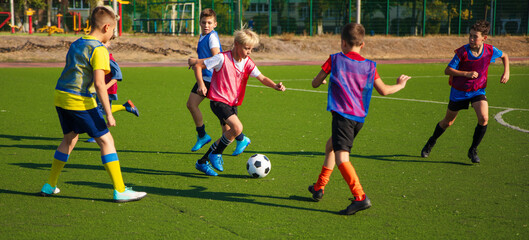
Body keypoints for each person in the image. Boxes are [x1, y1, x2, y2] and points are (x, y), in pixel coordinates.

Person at [39, 6, 146, 203]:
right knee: (107, 141)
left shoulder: (77, 43)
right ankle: (120, 190)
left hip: (60, 96)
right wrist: (109, 113)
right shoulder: (99, 49)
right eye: (114, 30)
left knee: (69, 139)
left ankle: (50, 184)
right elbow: (99, 84)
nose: (113, 35)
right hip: (78, 100)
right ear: (107, 27)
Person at [308, 23, 411, 215]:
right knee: (330, 146)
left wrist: (322, 80)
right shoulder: (370, 66)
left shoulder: (335, 59)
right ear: (362, 44)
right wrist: (401, 85)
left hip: (342, 117)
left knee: (341, 158)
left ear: (343, 42)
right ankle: (319, 187)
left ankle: (360, 197)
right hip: (358, 119)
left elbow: (314, 83)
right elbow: (385, 91)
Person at [188, 28, 286, 176]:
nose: (249, 52)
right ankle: (216, 155)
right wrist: (201, 85)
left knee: (228, 134)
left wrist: (274, 85)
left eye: (251, 49)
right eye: (247, 48)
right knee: (237, 128)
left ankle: (202, 162)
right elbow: (198, 66)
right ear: (236, 44)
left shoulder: (247, 62)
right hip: (218, 101)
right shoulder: (222, 58)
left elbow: (262, 77)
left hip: (232, 104)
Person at [420, 20, 509, 163]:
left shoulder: (490, 50)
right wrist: (466, 74)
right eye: (470, 36)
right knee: (447, 122)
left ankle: (473, 150)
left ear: (484, 38)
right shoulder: (462, 52)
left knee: (484, 118)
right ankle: (431, 141)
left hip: (477, 91)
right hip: (459, 92)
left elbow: (505, 56)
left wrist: (506, 72)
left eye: (475, 36)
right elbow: (447, 70)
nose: (472, 39)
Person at [187, 8, 251, 155]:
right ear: (199, 23)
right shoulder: (203, 35)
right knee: (192, 105)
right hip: (206, 77)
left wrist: (196, 61)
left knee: (222, 115)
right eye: (203, 22)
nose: (206, 25)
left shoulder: (212, 38)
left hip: (214, 79)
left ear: (215, 24)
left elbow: (216, 58)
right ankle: (203, 136)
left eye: (209, 22)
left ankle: (239, 139)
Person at [86, 41, 140, 143]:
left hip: (107, 91)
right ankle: (126, 107)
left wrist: (105, 87)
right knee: (100, 110)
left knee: (99, 112)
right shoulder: (98, 56)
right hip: (99, 90)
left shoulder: (109, 59)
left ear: (109, 44)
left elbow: (118, 76)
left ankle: (98, 135)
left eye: (103, 43)